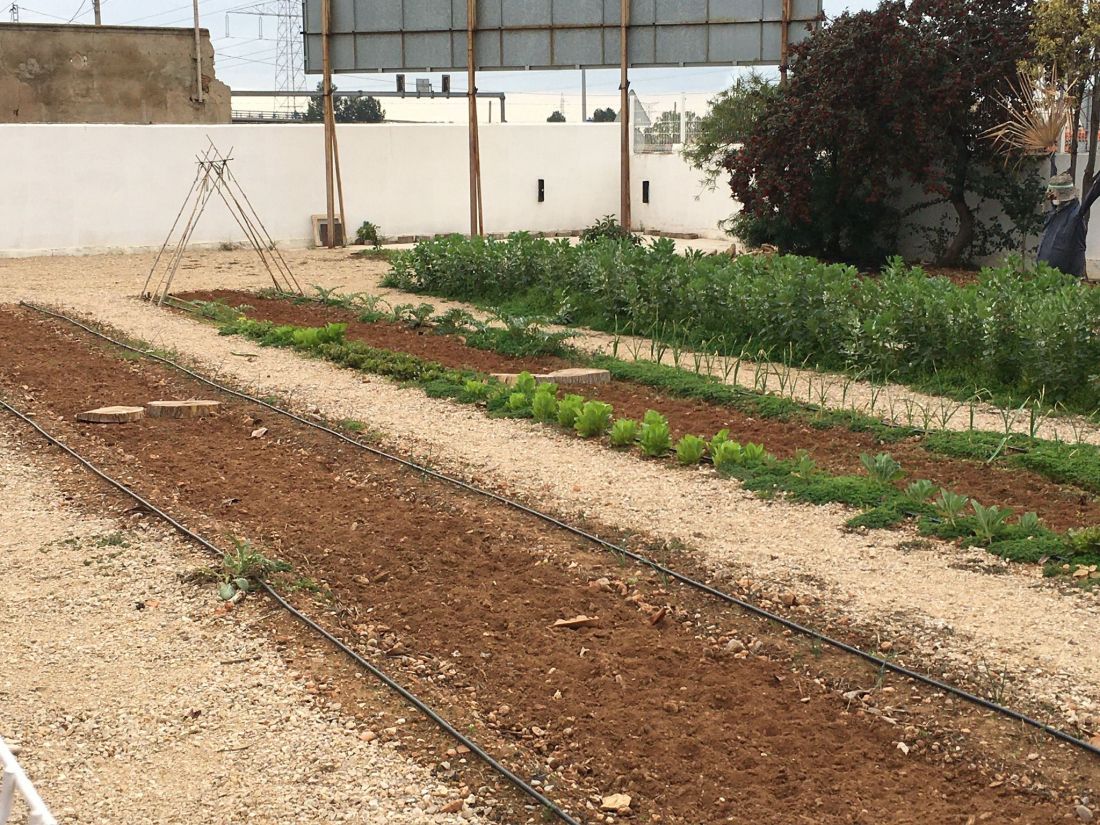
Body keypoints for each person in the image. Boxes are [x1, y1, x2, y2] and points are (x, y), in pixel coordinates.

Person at [1037, 170, 1100, 278]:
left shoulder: (1075, 215)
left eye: (1054, 196)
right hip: (1045, 277)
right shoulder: (1054, 214)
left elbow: (1092, 194)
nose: (1052, 199)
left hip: (1066, 278)